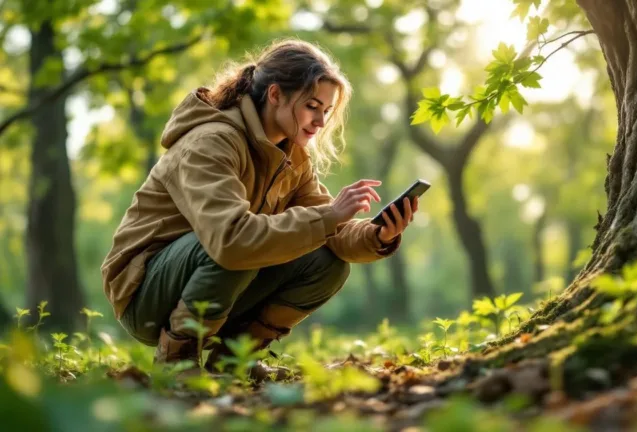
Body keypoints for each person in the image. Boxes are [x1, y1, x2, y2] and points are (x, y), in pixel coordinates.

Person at [100, 38, 419, 377]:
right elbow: (231, 240)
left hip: (217, 275)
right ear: (275, 94)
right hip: (144, 294)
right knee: (242, 246)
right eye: (312, 106)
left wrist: (378, 234)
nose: (320, 121)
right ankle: (176, 362)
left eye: (326, 111)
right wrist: (329, 216)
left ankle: (234, 361)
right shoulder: (211, 141)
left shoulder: (293, 157)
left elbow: (328, 229)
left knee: (328, 263)